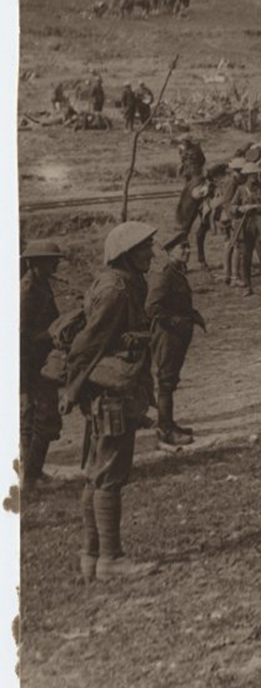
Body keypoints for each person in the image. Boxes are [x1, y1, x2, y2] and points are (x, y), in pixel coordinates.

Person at [63, 221, 161, 581]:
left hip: (110, 392)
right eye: (143, 248)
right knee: (108, 477)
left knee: (96, 475)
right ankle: (111, 560)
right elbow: (87, 346)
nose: (150, 253)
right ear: (125, 254)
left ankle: (91, 557)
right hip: (111, 395)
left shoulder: (122, 283)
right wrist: (73, 390)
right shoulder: (116, 291)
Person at [146, 231, 205, 447]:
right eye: (183, 248)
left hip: (177, 336)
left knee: (170, 381)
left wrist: (192, 316)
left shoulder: (177, 272)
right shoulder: (165, 275)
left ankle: (169, 423)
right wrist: (175, 321)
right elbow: (152, 308)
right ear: (171, 252)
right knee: (166, 381)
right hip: (167, 336)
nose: (188, 251)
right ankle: (165, 430)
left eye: (189, 247)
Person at [20, 239, 65, 493]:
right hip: (31, 366)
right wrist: (53, 332)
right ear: (36, 263)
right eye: (52, 259)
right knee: (41, 420)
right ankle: (31, 477)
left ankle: (33, 473)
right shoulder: (27, 291)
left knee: (41, 420)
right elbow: (21, 338)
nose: (56, 262)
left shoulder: (42, 284)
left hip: (41, 363)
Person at [227, 160, 261, 295]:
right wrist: (241, 208)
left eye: (255, 173)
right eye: (250, 174)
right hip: (244, 226)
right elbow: (231, 207)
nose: (253, 176)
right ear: (246, 175)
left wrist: (257, 207)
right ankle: (247, 286)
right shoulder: (241, 190)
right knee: (245, 257)